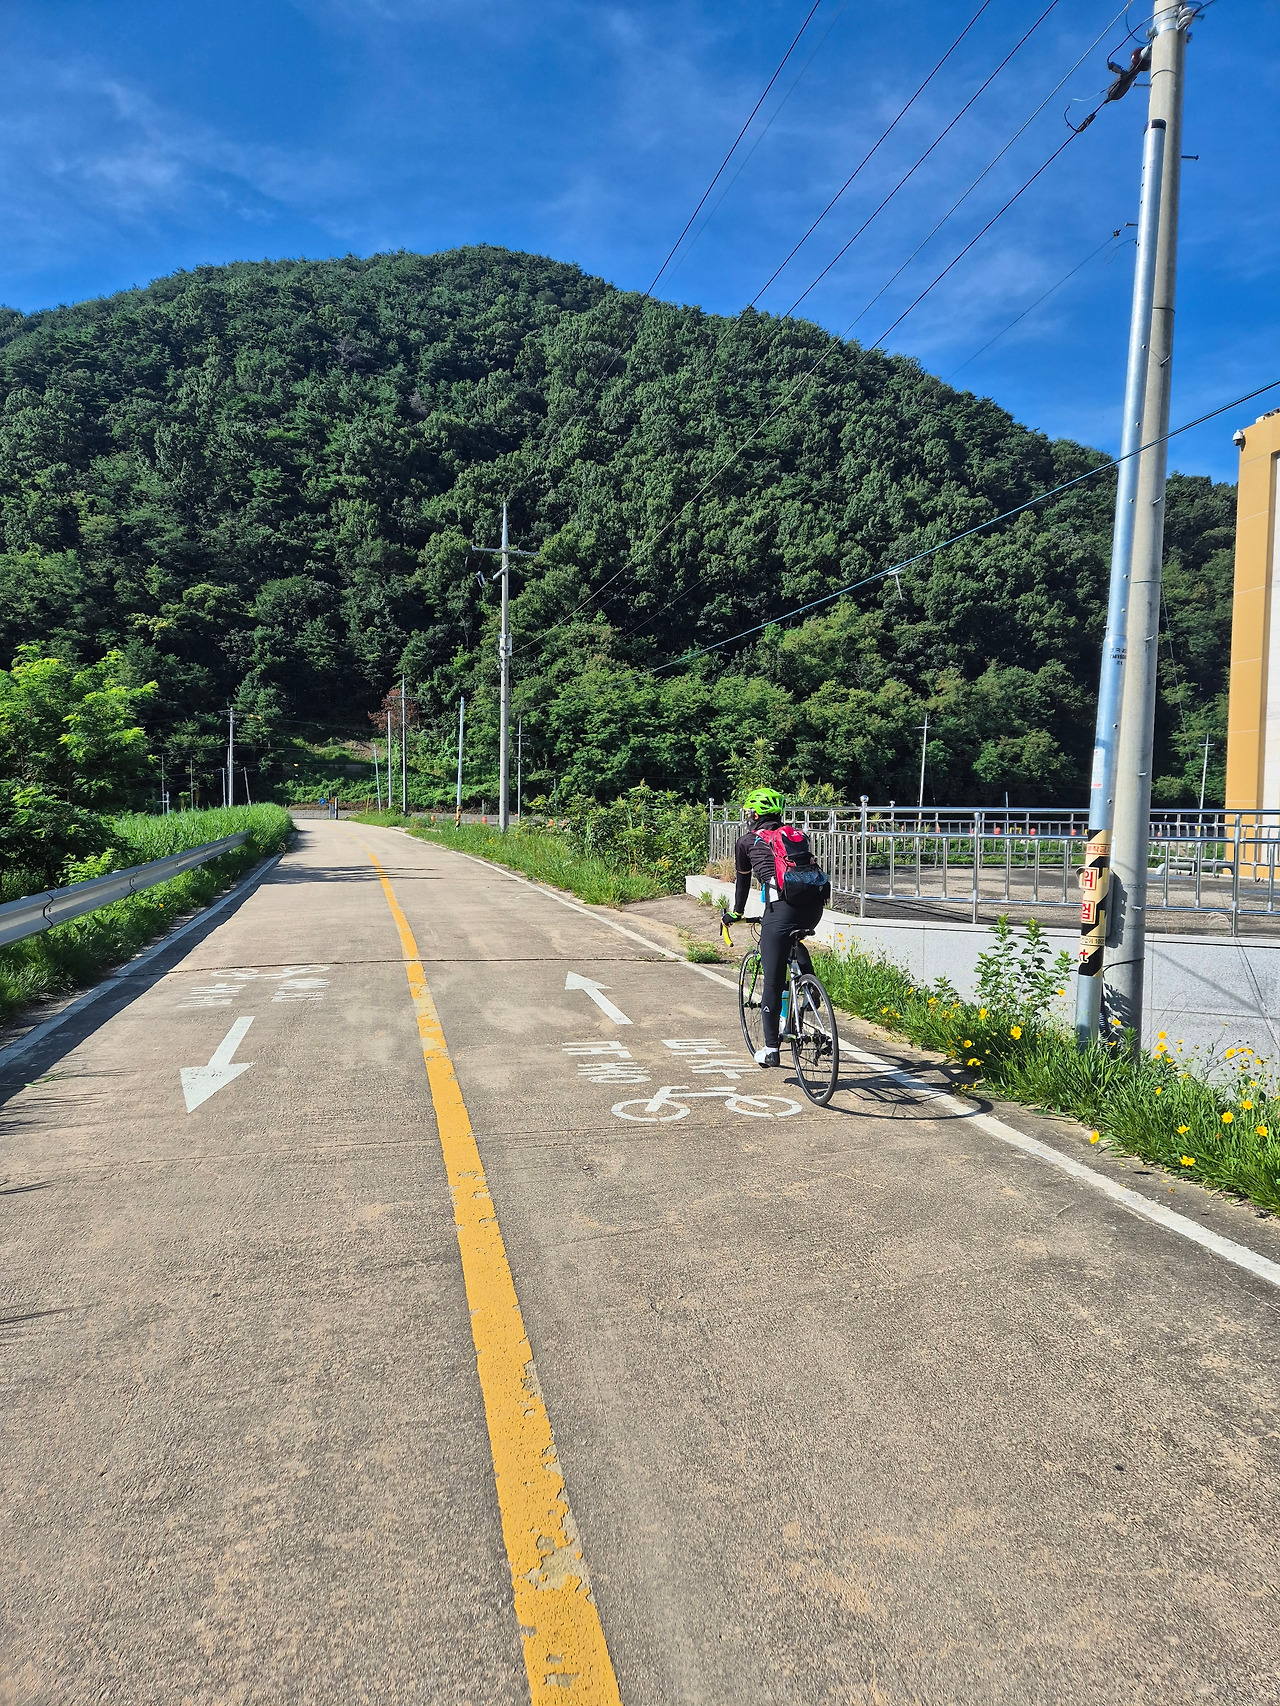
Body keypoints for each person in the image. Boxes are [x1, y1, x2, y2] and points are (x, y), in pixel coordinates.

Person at [725, 787, 826, 1067]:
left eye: (749, 813)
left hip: (780, 911)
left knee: (771, 980)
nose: (748, 817)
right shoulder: (795, 836)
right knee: (795, 940)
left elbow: (742, 884)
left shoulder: (746, 841)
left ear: (755, 815)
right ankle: (809, 986)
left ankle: (771, 1050)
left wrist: (735, 913)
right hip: (813, 908)